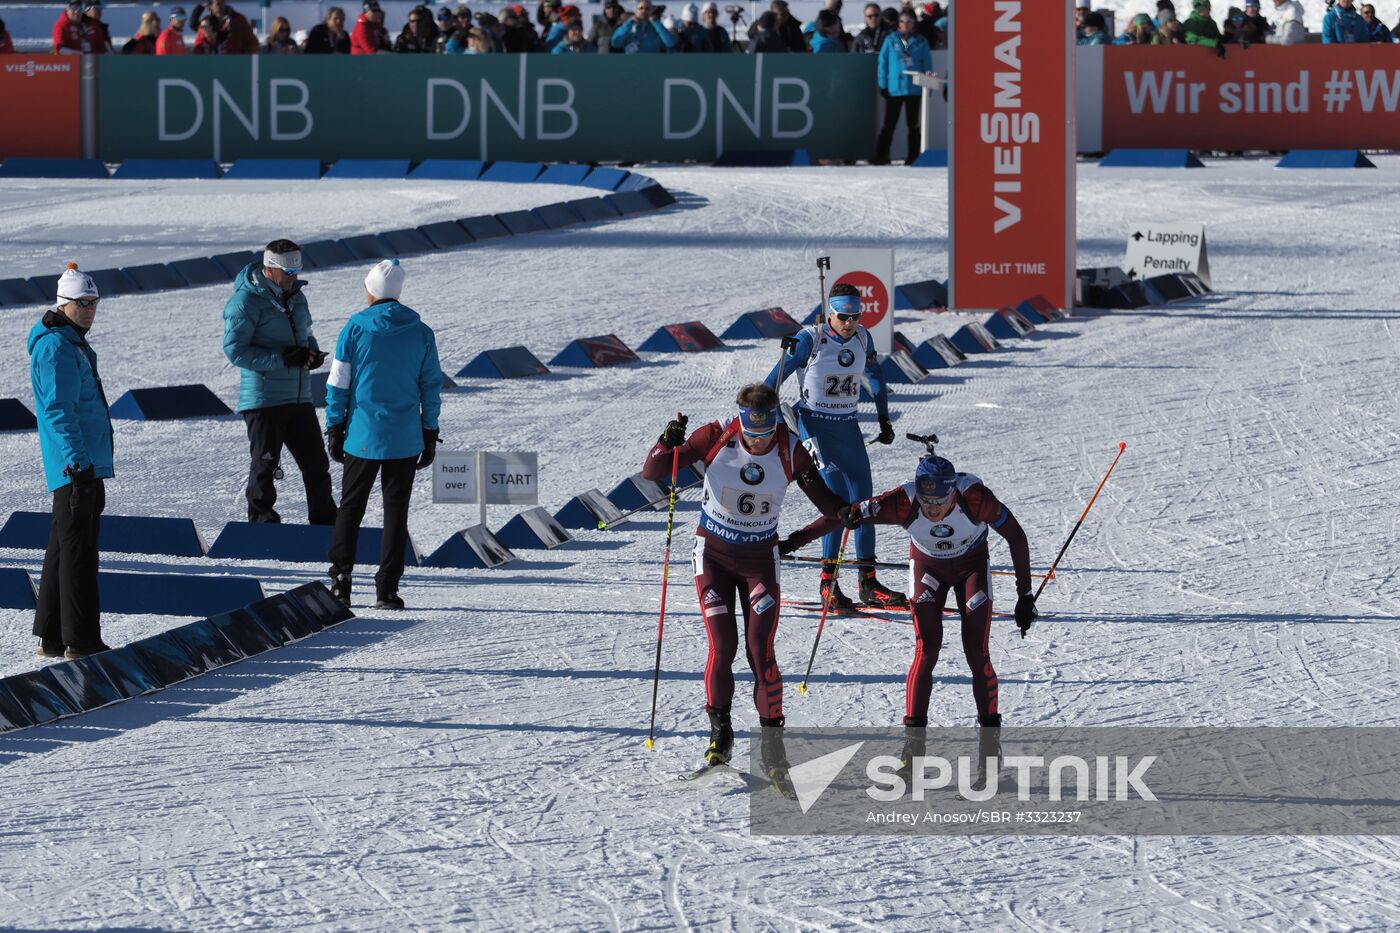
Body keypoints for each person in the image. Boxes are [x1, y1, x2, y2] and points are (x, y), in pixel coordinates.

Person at [780, 445, 1035, 781]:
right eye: (926, 502)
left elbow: (1016, 537)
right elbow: (844, 515)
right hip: (928, 569)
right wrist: (794, 542)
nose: (932, 510)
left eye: (940, 503)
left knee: (977, 652)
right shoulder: (902, 502)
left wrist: (1024, 595)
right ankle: (912, 755)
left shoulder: (975, 497)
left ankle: (990, 754)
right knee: (926, 650)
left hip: (972, 567)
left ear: (952, 493)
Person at [639, 384, 846, 774]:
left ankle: (773, 748)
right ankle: (721, 735)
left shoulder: (790, 449)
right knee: (723, 645)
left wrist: (796, 541)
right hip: (712, 556)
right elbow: (653, 471)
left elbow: (834, 510)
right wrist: (666, 443)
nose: (756, 442)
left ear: (775, 427)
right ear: (740, 421)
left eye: (764, 434)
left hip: (759, 563)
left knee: (760, 652)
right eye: (750, 434)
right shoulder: (717, 434)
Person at [765, 282, 902, 611]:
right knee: (838, 504)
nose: (850, 322)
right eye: (843, 317)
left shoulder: (862, 337)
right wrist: (777, 429)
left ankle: (868, 582)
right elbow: (771, 384)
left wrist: (883, 418)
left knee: (864, 504)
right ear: (830, 314)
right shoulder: (808, 339)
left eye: (856, 316)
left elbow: (876, 375)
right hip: (815, 426)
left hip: (848, 427)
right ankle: (829, 583)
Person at [325, 259, 442, 610]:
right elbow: (430, 386)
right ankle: (387, 588)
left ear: (371, 290)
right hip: (405, 436)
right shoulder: (421, 331)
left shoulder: (355, 328)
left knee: (350, 507)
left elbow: (339, 382)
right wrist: (429, 430)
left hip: (362, 433)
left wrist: (333, 425)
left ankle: (341, 581)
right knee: (396, 511)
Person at [28, 264, 114, 661]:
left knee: (63, 549)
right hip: (74, 465)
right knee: (79, 552)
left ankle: (51, 635)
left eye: (94, 303)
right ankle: (80, 640)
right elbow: (58, 410)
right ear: (64, 304)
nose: (91, 310)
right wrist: (79, 462)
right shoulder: (57, 346)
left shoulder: (70, 342)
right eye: (83, 303)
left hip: (81, 462)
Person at [222, 240, 337, 527]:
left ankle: (326, 525)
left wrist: (310, 353)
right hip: (264, 399)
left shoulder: (297, 297)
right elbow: (235, 350)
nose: (293, 277)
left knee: (317, 465)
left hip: (299, 397)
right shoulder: (245, 301)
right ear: (270, 268)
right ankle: (262, 523)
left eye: (297, 271)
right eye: (288, 272)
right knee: (265, 464)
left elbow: (306, 333)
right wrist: (282, 358)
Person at [876, 10, 931, 165]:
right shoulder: (891, 40)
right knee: (889, 124)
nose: (905, 25)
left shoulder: (921, 41)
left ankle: (913, 157)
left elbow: (927, 65)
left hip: (914, 89)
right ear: (898, 23)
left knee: (913, 125)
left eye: (909, 21)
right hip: (895, 88)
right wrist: (883, 84)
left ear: (914, 23)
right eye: (902, 21)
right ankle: (881, 156)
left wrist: (929, 87)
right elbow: (883, 63)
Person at [610, 0, 678, 51]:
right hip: (631, 64)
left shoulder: (656, 27)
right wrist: (630, 23)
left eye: (647, 8)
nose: (644, 11)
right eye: (641, 8)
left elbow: (670, 43)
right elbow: (615, 43)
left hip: (652, 64)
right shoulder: (628, 26)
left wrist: (656, 23)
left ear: (652, 11)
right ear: (636, 11)